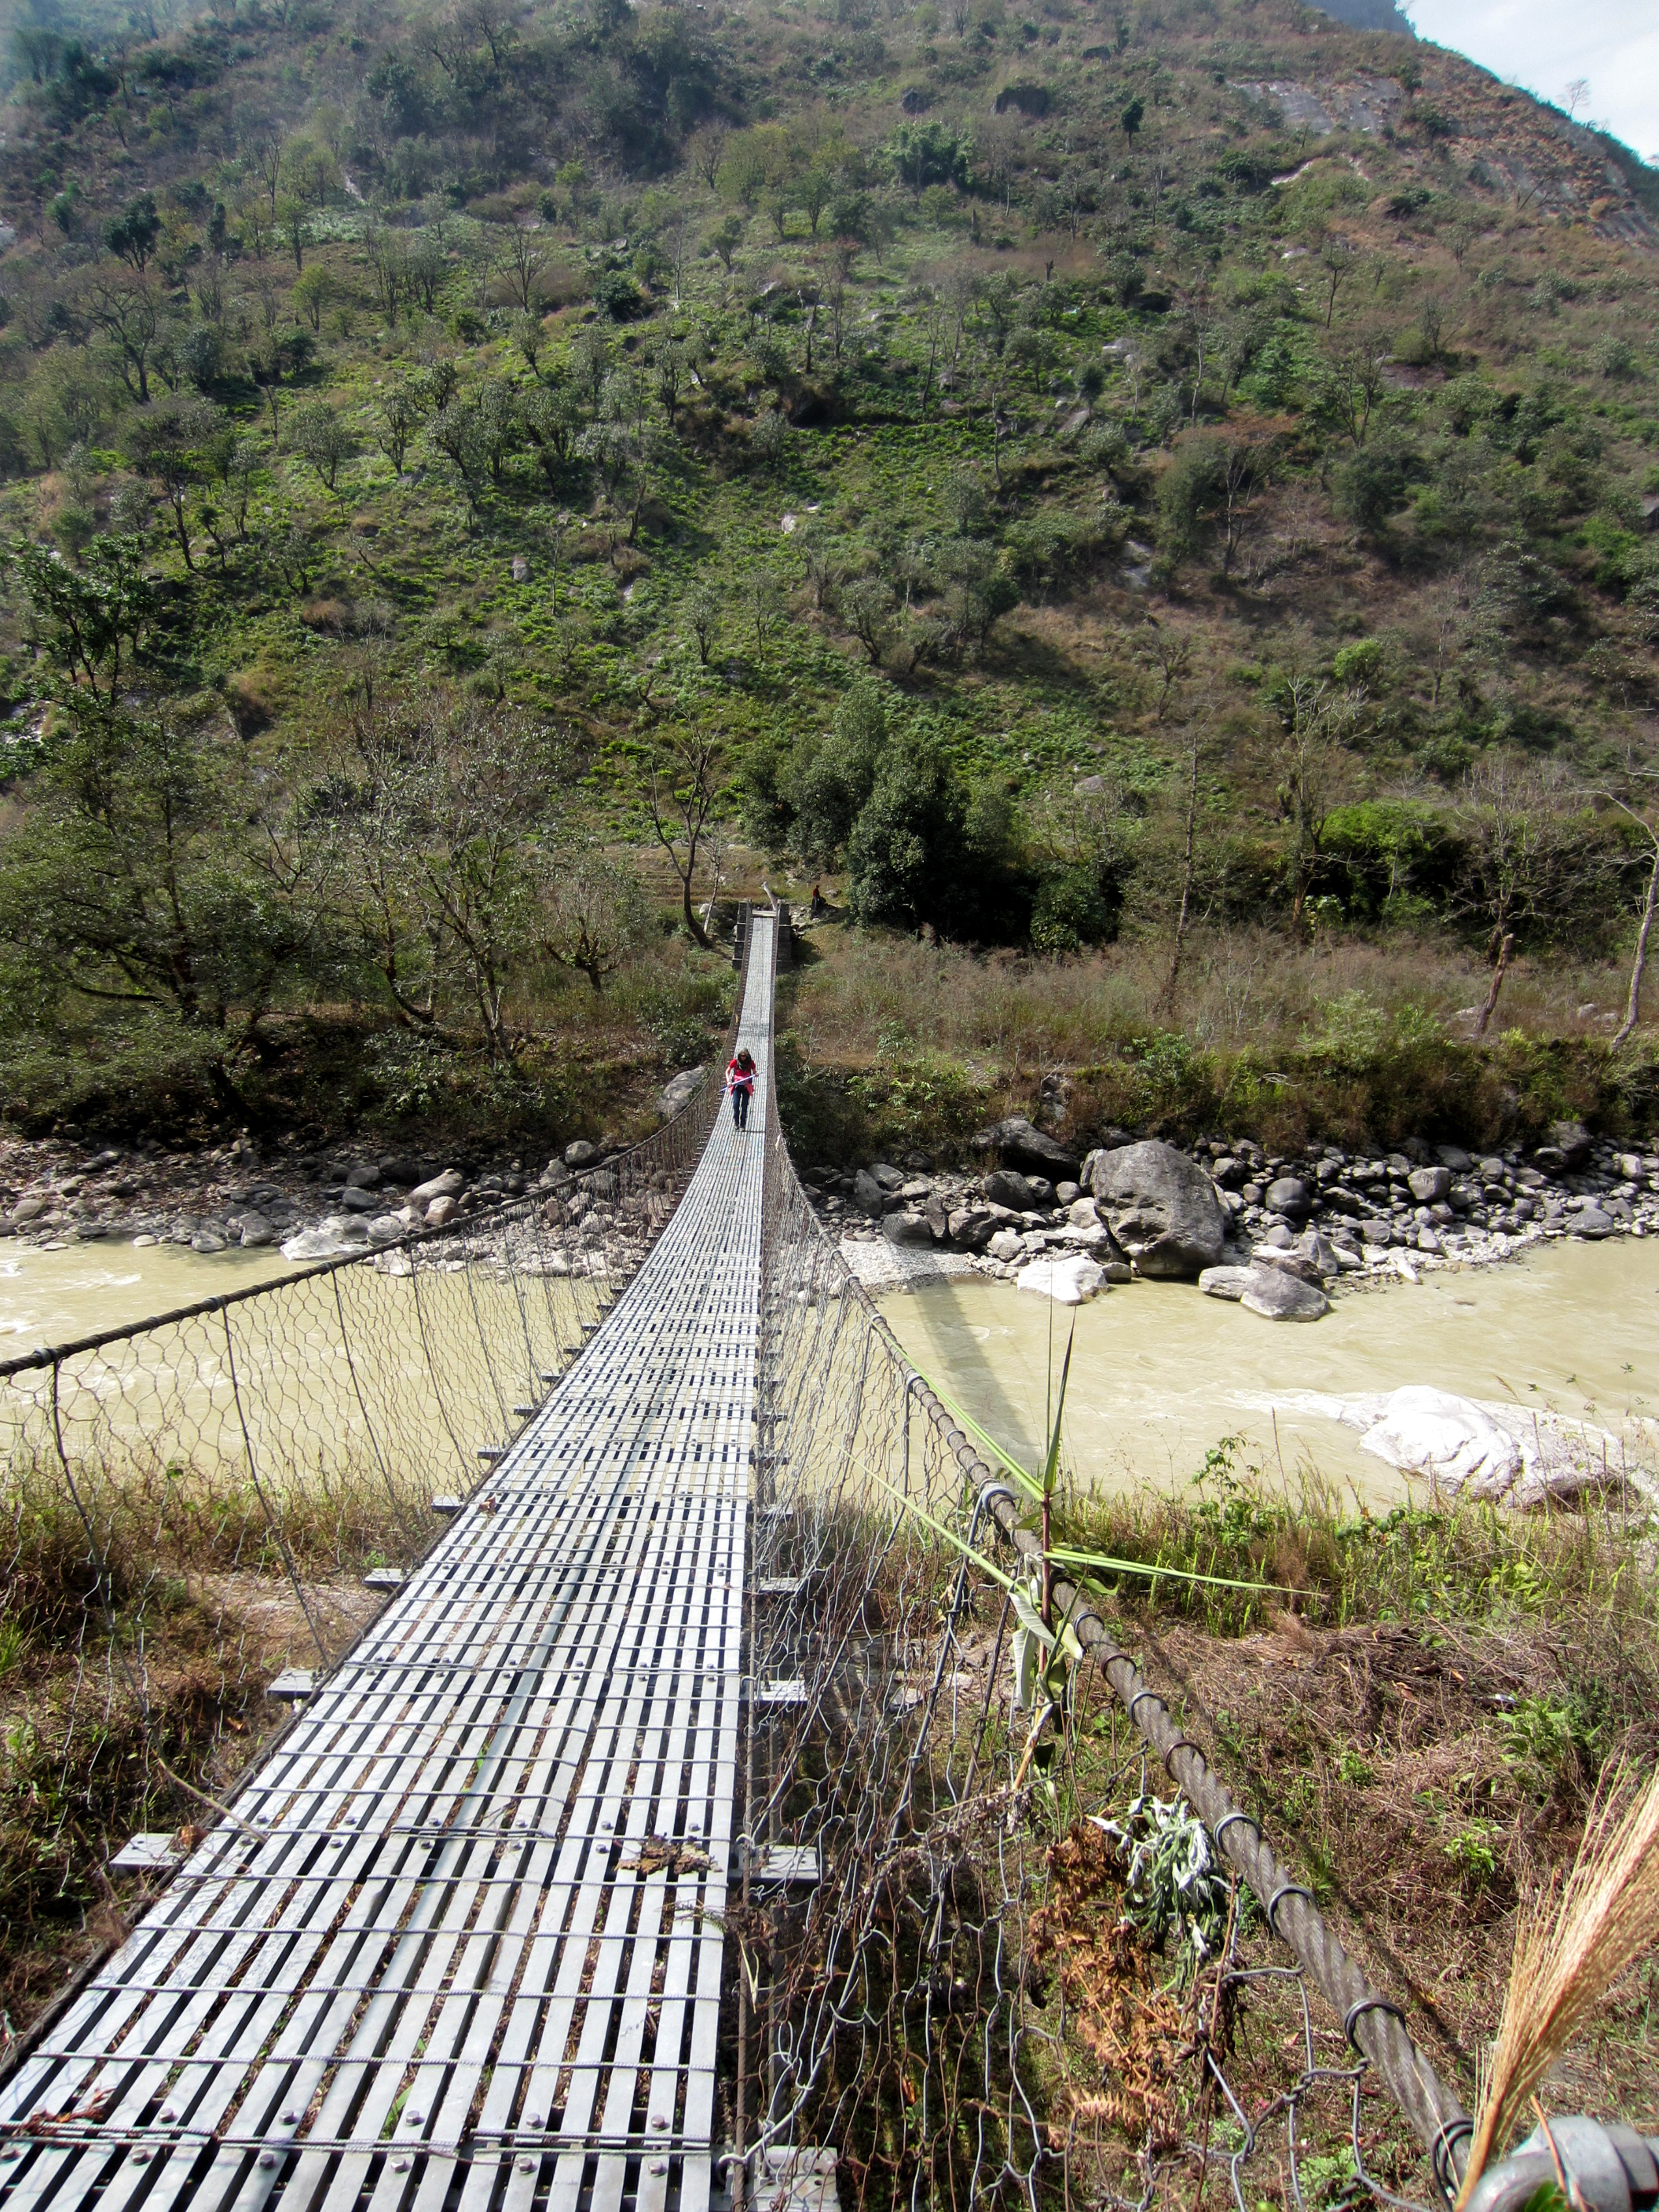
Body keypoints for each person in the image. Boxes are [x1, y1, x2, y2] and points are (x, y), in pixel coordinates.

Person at [727, 1047, 756, 1130]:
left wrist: (755, 1074)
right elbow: (727, 1071)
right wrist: (728, 1081)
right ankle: (736, 1123)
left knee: (744, 1106)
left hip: (746, 1087)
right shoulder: (735, 1062)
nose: (743, 1057)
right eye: (741, 1055)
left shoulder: (751, 1063)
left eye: (745, 1056)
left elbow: (754, 1072)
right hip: (737, 1086)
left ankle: (743, 1125)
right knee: (736, 1105)